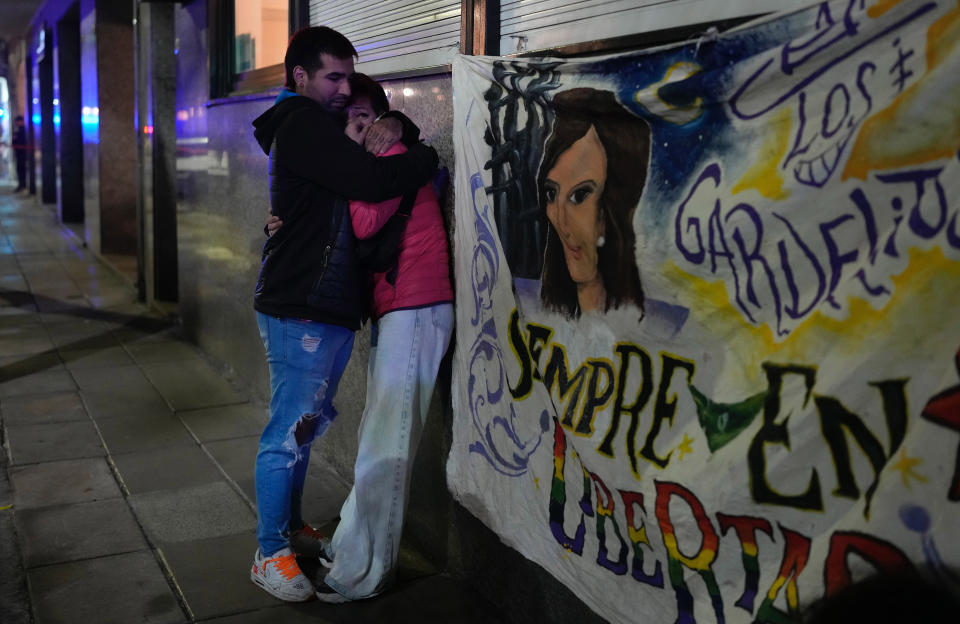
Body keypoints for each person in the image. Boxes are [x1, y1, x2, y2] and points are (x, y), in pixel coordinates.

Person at [249, 26, 438, 603]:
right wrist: (425, 155)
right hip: (301, 305)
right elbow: (370, 181)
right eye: (332, 76)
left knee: (305, 429)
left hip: (321, 304)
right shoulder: (303, 122)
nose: (342, 87)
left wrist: (396, 126)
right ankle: (268, 551)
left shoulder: (320, 127)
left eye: (348, 76)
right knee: (287, 433)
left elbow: (349, 166)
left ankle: (288, 530)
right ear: (299, 77)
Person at [537, 88, 649, 318]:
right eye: (551, 193)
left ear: (617, 200)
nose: (560, 219)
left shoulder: (661, 325)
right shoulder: (536, 307)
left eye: (579, 196)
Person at [12, 116, 27, 192]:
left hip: (22, 153)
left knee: (21, 169)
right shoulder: (17, 130)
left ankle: (22, 184)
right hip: (19, 152)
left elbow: (19, 141)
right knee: (19, 169)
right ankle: (21, 184)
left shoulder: (23, 130)